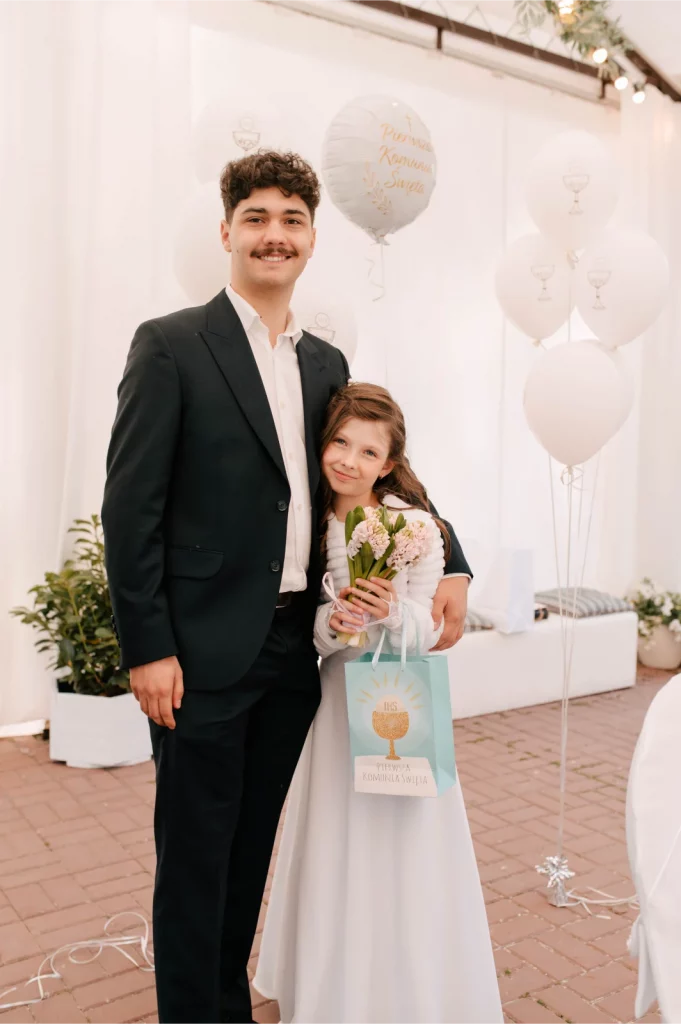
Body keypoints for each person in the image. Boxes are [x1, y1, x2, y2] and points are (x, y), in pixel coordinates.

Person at [101, 150, 472, 1024]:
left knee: (248, 852)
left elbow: (379, 469)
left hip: (294, 651)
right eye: (257, 218)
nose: (275, 235)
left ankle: (225, 1004)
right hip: (198, 652)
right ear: (226, 231)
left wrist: (452, 559)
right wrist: (148, 646)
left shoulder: (324, 363)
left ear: (311, 237)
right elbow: (129, 506)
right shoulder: (170, 345)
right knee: (195, 857)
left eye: (292, 220)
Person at [254, 382, 503, 1023]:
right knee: (340, 840)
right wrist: (335, 624)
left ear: (388, 464)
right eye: (339, 443)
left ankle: (408, 987)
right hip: (339, 703)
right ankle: (334, 986)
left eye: (368, 452)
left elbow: (430, 631)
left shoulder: (414, 526)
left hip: (398, 699)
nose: (349, 461)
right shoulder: (310, 529)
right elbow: (311, 633)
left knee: (401, 837)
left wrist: (391, 612)